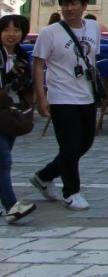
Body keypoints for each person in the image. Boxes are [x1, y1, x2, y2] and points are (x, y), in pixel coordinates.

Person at [31, 0, 101, 211]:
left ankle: (44, 176)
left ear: (84, 6)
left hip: (87, 95)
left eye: (74, 3)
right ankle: (71, 192)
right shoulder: (49, 32)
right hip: (61, 96)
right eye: (66, 4)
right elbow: (39, 64)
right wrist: (42, 98)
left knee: (85, 142)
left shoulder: (93, 27)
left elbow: (92, 58)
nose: (70, 8)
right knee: (70, 146)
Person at [0, 14, 36, 224]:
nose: (11, 34)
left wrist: (27, 106)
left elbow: (26, 85)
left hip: (11, 116)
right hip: (3, 110)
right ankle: (12, 207)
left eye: (16, 30)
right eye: (6, 30)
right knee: (3, 160)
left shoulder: (23, 57)